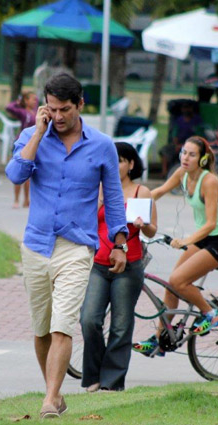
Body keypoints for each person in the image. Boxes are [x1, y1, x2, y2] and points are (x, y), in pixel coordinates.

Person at [5, 73, 129, 419]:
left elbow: (115, 198)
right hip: (36, 245)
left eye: (65, 110)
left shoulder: (102, 145)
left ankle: (50, 399)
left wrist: (120, 242)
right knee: (42, 328)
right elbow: (15, 175)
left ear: (80, 105)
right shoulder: (33, 135)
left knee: (63, 324)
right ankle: (55, 394)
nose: (58, 116)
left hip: (77, 247)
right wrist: (38, 132)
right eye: (52, 109)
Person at [133, 136, 218, 356]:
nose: (185, 158)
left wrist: (186, 241)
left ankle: (211, 315)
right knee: (172, 285)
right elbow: (158, 192)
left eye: (191, 154)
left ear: (202, 159)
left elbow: (211, 223)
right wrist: (131, 207)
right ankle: (161, 340)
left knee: (178, 280)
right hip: (202, 239)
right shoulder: (182, 174)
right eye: (183, 152)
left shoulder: (209, 182)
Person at [79, 142, 157, 392]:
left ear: (131, 164)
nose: (116, 165)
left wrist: (141, 223)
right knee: (89, 319)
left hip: (129, 265)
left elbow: (152, 229)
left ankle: (112, 382)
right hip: (98, 263)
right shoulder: (99, 189)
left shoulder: (140, 192)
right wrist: (99, 202)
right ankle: (93, 376)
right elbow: (84, 220)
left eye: (121, 160)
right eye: (113, 160)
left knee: (121, 325)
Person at [5, 91, 38, 208]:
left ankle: (26, 199)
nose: (35, 101)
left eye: (36, 99)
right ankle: (16, 199)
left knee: (28, 174)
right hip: (22, 143)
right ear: (26, 101)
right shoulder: (23, 112)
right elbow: (9, 107)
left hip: (33, 144)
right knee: (18, 171)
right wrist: (19, 101)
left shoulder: (36, 112)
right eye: (32, 99)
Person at [159, 102, 203, 178]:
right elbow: (175, 135)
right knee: (164, 150)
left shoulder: (197, 120)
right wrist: (177, 145)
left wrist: (185, 145)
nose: (186, 110)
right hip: (178, 144)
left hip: (192, 144)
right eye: (184, 108)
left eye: (188, 108)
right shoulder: (179, 120)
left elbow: (198, 136)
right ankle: (164, 172)